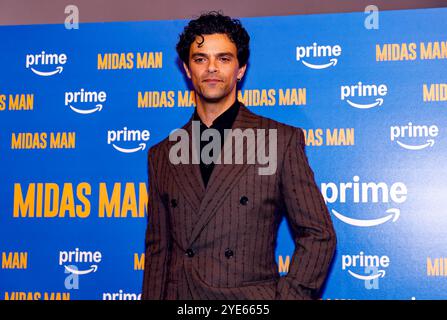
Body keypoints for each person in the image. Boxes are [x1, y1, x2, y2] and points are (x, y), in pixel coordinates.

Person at [142, 11, 336, 300]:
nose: (211, 68)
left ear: (240, 69)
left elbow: (319, 235)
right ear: (186, 68)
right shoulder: (162, 154)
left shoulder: (279, 141)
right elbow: (159, 252)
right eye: (200, 59)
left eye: (223, 58)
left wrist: (288, 297)